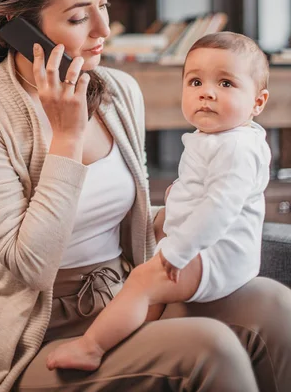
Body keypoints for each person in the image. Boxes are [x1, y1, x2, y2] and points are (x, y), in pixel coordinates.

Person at [0, 0, 291, 392]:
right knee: (210, 348)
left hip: (123, 304)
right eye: (80, 17)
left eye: (103, 3)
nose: (106, 30)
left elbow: (130, 222)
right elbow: (31, 266)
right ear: (21, 29)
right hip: (32, 341)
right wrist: (67, 138)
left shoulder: (118, 91)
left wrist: (188, 217)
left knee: (273, 305)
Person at [46, 31, 273, 373]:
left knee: (140, 281)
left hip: (218, 256)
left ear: (258, 102)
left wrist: (178, 250)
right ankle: (141, 339)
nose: (207, 92)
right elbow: (204, 189)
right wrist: (178, 199)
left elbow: (220, 207)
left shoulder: (236, 148)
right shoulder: (220, 139)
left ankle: (90, 347)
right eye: (195, 81)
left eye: (226, 84)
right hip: (212, 249)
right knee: (150, 291)